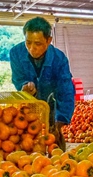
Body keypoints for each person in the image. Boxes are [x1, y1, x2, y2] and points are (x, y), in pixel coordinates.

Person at [10, 17, 75, 150]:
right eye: (28, 42)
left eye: (38, 44)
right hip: (28, 105)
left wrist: (59, 122)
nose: (32, 48)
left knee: (54, 143)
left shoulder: (59, 59)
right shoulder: (16, 53)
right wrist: (23, 86)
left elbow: (66, 91)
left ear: (48, 40)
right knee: (28, 143)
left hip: (51, 105)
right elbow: (18, 78)